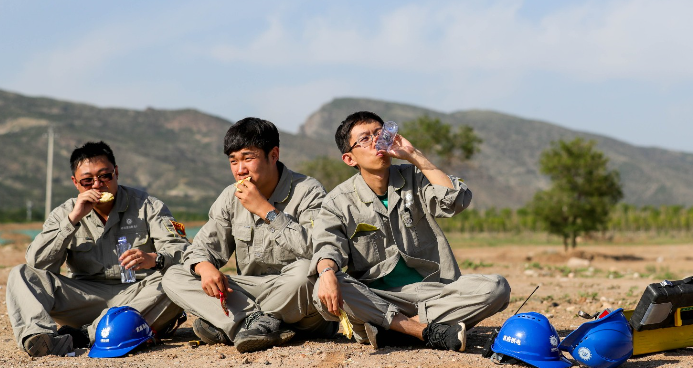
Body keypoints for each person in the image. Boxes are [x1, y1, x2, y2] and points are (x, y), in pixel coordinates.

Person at [311, 111, 511, 351]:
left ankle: (396, 331)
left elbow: (455, 201)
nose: (376, 140)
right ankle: (425, 331)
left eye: (380, 133)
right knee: (326, 283)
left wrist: (415, 155)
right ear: (349, 159)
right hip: (378, 298)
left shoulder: (415, 177)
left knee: (497, 288)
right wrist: (326, 273)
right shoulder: (338, 202)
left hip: (435, 292)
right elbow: (327, 246)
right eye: (365, 138)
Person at [162, 117, 335, 353]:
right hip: (252, 293)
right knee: (174, 275)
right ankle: (254, 324)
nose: (240, 169)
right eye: (233, 161)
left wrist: (266, 211)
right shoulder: (229, 197)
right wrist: (204, 267)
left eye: (248, 158)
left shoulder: (308, 190)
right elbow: (202, 248)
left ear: (273, 155)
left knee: (304, 274)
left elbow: (319, 249)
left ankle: (232, 324)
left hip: (299, 301)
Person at [7, 141, 190, 357]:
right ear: (76, 183)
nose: (97, 185)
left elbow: (181, 251)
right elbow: (39, 263)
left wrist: (154, 259)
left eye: (105, 176)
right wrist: (73, 219)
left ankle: (86, 336)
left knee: (178, 278)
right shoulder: (64, 213)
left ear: (117, 173)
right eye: (87, 180)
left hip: (139, 294)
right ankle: (40, 338)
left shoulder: (149, 206)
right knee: (22, 274)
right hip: (84, 298)